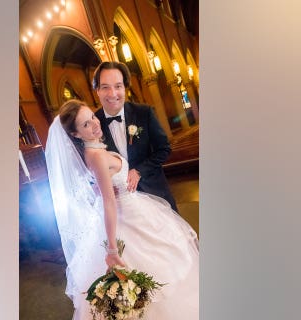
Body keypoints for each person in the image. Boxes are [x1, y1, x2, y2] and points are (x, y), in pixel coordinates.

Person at [45, 99, 199, 320]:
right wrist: (113, 250)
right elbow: (108, 201)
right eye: (86, 125)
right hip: (126, 219)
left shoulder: (95, 149)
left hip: (136, 209)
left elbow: (103, 188)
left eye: (93, 117)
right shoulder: (96, 155)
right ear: (76, 134)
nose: (95, 124)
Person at [92, 61, 179, 212]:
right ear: (97, 90)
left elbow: (164, 149)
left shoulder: (144, 113)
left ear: (125, 88)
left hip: (154, 193)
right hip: (121, 206)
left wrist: (138, 171)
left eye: (118, 86)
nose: (113, 94)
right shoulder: (92, 123)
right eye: (105, 87)